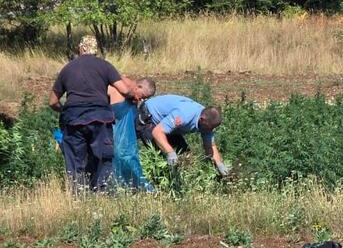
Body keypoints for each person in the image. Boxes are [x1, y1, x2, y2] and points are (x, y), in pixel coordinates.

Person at [49, 36, 139, 193]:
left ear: (81, 49)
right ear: (95, 49)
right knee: (102, 158)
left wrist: (65, 110)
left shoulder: (68, 68)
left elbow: (53, 102)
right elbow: (124, 90)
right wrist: (134, 97)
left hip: (74, 119)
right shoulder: (105, 66)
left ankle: (79, 195)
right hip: (100, 119)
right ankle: (100, 193)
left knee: (75, 160)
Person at [138, 94, 228, 177]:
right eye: (209, 128)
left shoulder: (208, 124)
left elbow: (210, 146)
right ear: (202, 119)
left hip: (168, 126)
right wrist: (170, 152)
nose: (210, 131)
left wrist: (220, 165)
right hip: (149, 118)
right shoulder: (185, 115)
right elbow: (157, 132)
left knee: (185, 159)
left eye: (212, 128)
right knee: (161, 158)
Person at [108, 77, 156, 192]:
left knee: (127, 156)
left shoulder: (131, 95)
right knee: (119, 156)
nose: (140, 99)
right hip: (114, 129)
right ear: (138, 86)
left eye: (144, 98)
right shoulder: (119, 85)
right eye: (142, 96)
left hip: (125, 135)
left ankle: (131, 186)